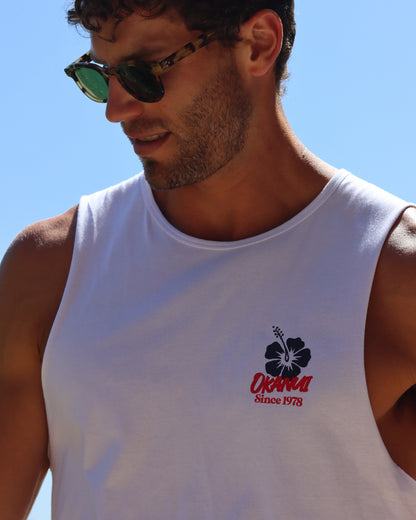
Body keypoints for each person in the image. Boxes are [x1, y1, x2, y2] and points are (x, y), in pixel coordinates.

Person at [0, 0, 415, 518]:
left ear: (259, 44)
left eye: (144, 73)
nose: (117, 107)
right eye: (101, 76)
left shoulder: (396, 277)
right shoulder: (49, 271)